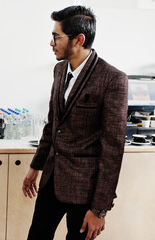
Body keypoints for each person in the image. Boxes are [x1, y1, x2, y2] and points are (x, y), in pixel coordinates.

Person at [22, 6, 128, 240]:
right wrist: (35, 166)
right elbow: (52, 125)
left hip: (85, 190)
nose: (52, 43)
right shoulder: (59, 70)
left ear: (79, 40)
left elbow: (113, 148)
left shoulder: (113, 79)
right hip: (51, 179)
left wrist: (100, 210)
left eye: (56, 37)